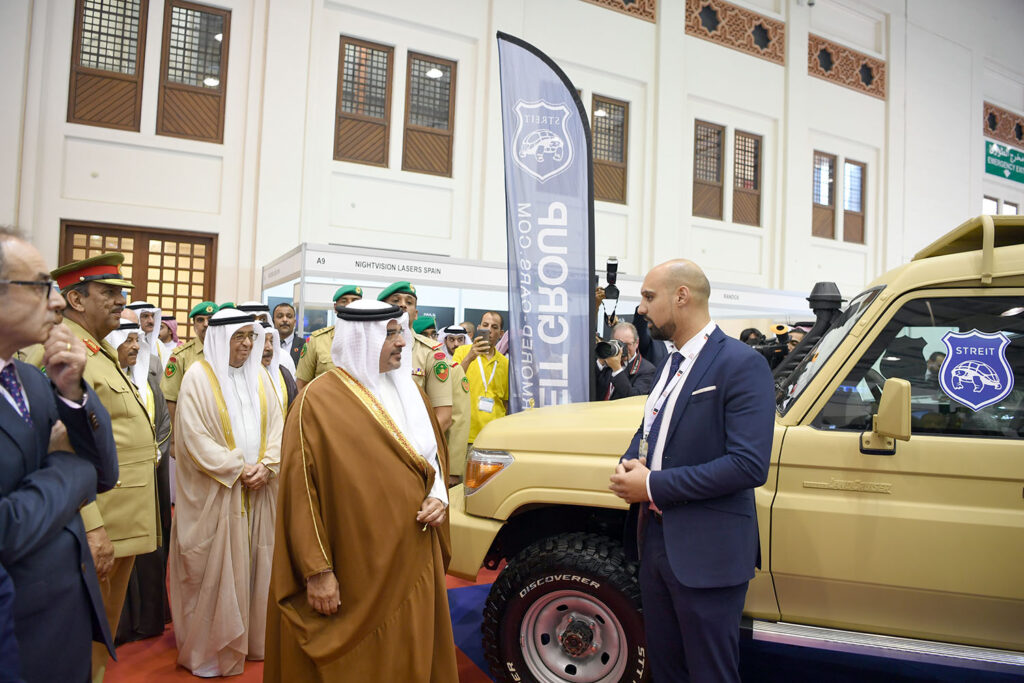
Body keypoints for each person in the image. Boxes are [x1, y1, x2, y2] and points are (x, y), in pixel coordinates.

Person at [264, 300, 457, 682]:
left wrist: (438, 496)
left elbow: (431, 458)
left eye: (400, 332)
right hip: (354, 567)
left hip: (412, 559)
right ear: (360, 339)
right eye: (390, 334)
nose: (401, 342)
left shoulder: (411, 391)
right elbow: (301, 496)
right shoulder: (316, 402)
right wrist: (317, 571)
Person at [608, 259, 774, 683]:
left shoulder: (741, 363)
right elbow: (653, 428)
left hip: (707, 552)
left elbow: (748, 464)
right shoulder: (670, 362)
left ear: (682, 296)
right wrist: (630, 460)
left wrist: (651, 484)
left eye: (649, 297)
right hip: (656, 543)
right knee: (667, 670)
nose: (641, 308)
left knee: (710, 673)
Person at [30, 253, 159, 682]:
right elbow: (56, 450)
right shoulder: (60, 350)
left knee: (100, 634)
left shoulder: (96, 349)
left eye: (121, 293)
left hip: (119, 520)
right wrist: (91, 524)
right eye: (109, 292)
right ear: (76, 299)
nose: (121, 301)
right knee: (80, 638)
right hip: (97, 523)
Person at [0, 229, 118, 683]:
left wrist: (71, 392)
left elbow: (103, 474)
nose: (56, 302)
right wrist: (67, 466)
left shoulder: (33, 379)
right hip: (17, 626)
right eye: (39, 286)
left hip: (65, 612)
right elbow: (6, 530)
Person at [169, 308, 282, 677]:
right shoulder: (197, 378)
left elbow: (278, 426)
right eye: (239, 337)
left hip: (258, 492)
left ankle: (254, 641)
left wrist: (267, 464)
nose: (247, 344)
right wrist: (237, 468)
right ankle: (212, 652)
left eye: (251, 336)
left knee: (257, 568)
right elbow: (193, 438)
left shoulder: (261, 376)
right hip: (217, 495)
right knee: (212, 575)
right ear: (220, 339)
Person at [104, 318, 173, 644]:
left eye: (137, 340)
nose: (135, 346)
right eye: (128, 340)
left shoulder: (148, 383)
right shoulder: (103, 381)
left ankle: (148, 621)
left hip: (149, 478)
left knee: (148, 551)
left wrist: (155, 454)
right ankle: (119, 626)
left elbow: (164, 425)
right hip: (115, 484)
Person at [379, 282, 453, 432]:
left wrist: (413, 443)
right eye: (396, 300)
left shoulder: (431, 353)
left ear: (416, 313)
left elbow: (443, 417)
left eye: (409, 302)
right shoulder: (367, 348)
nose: (403, 305)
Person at [453, 311, 510, 444]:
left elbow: (505, 403)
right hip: (466, 434)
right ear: (479, 328)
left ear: (501, 334)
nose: (489, 330)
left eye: (494, 327)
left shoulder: (505, 363)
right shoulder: (462, 352)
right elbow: (452, 383)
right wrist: (469, 357)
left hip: (494, 437)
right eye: (485, 325)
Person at [295, 285, 362, 389]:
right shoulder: (316, 341)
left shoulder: (372, 341)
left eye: (355, 301)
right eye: (344, 301)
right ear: (335, 308)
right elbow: (302, 385)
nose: (349, 305)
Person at [161, 300, 216, 423]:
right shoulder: (181, 356)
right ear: (194, 325)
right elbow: (170, 399)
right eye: (200, 320)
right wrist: (174, 433)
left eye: (211, 319)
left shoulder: (228, 353)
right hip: (192, 424)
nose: (206, 324)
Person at [597, 321, 657, 400]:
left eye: (627, 344)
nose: (623, 349)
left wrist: (617, 370)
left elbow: (634, 399)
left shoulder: (647, 370)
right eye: (619, 343)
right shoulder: (607, 363)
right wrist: (599, 363)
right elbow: (586, 387)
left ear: (637, 343)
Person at [261, 321, 297, 415]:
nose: (269, 348)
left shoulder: (284, 374)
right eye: (263, 341)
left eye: (271, 341)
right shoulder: (243, 377)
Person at [125, 300, 170, 373]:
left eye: (152, 316)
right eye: (145, 316)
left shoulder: (158, 345)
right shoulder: (122, 342)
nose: (151, 321)